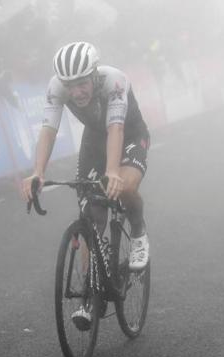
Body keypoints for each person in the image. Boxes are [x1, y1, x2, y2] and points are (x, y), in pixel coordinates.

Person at [21, 42, 150, 325]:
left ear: (94, 75)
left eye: (82, 84)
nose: (76, 91)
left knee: (125, 187)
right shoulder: (56, 88)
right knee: (92, 216)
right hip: (95, 140)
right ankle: (89, 297)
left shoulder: (114, 81)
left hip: (129, 136)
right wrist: (38, 173)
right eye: (70, 85)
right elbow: (48, 130)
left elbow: (115, 128)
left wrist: (113, 171)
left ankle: (138, 229)